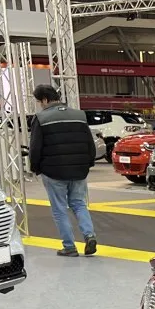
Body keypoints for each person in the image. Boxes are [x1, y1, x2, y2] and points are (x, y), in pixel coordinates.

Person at [29, 84, 98, 258]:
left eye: (39, 102)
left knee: (59, 209)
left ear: (45, 100)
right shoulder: (79, 115)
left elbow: (35, 147)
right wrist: (88, 163)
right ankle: (89, 235)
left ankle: (69, 246)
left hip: (53, 171)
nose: (40, 105)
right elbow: (90, 143)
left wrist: (35, 167)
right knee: (79, 204)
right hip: (79, 170)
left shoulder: (41, 118)